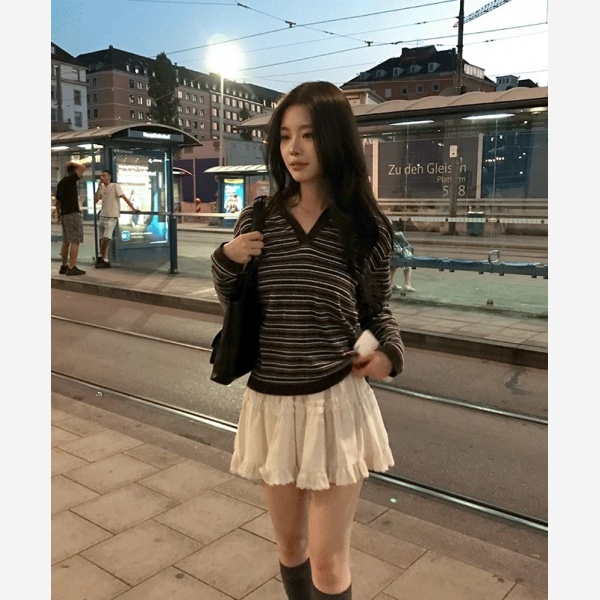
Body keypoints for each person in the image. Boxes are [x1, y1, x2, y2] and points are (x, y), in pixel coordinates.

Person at [211, 81, 405, 600]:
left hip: (334, 402)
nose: (293, 149)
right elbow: (233, 298)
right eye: (285, 136)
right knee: (290, 544)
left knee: (327, 557)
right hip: (272, 402)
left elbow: (376, 310)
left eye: (309, 135)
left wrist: (389, 353)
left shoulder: (364, 226)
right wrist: (226, 258)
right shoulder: (259, 218)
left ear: (336, 139)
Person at [93, 169, 140, 268]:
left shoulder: (115, 186)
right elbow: (96, 200)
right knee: (102, 239)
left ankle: (100, 256)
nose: (102, 177)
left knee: (106, 239)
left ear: (109, 177)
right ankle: (105, 260)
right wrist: (98, 188)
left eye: (104, 176)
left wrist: (133, 209)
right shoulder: (101, 187)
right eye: (101, 176)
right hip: (102, 216)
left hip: (111, 217)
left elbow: (124, 197)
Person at [55, 161, 87, 276]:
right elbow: (82, 167)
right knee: (75, 240)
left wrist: (59, 215)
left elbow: (57, 202)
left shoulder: (61, 182)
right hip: (72, 214)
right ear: (74, 171)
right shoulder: (71, 179)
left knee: (66, 241)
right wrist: (71, 163)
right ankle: (72, 267)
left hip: (64, 214)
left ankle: (64, 266)